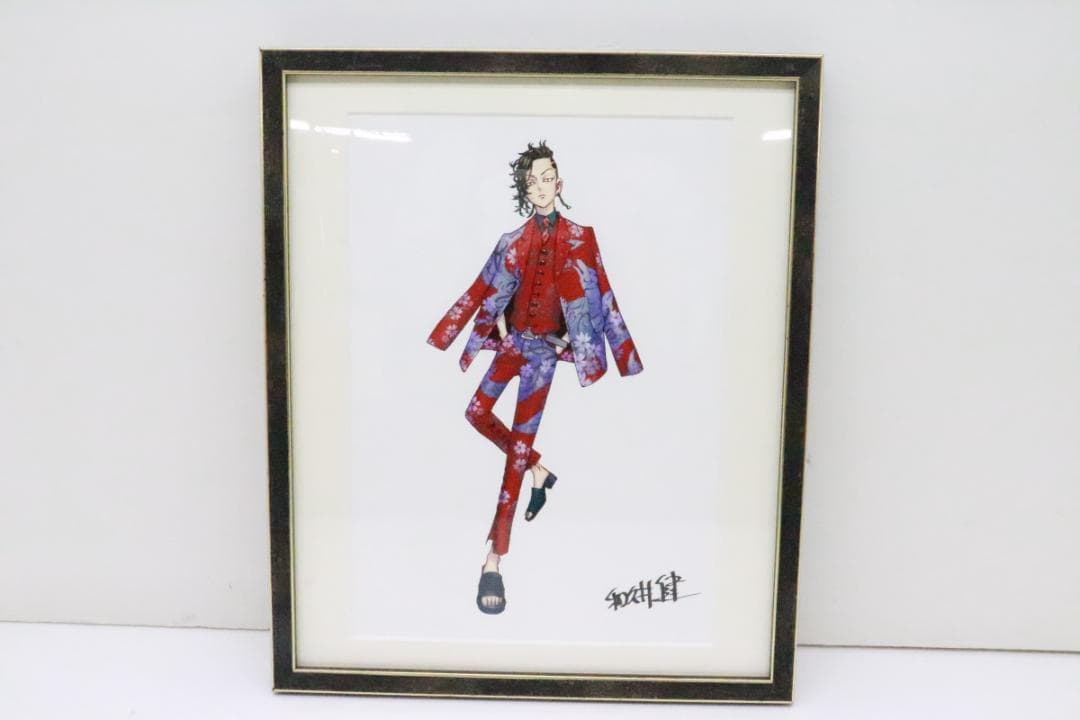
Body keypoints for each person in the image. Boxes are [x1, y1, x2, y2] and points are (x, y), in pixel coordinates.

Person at [427, 140, 642, 614]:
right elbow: (482, 287)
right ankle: (539, 470)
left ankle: (493, 561)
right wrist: (465, 332)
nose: (541, 187)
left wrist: (617, 354)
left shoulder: (582, 238)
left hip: (544, 357)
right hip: (512, 347)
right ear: (525, 191)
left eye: (547, 179)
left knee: (515, 455)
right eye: (532, 182)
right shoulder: (511, 240)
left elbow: (602, 293)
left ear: (559, 184)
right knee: (476, 412)